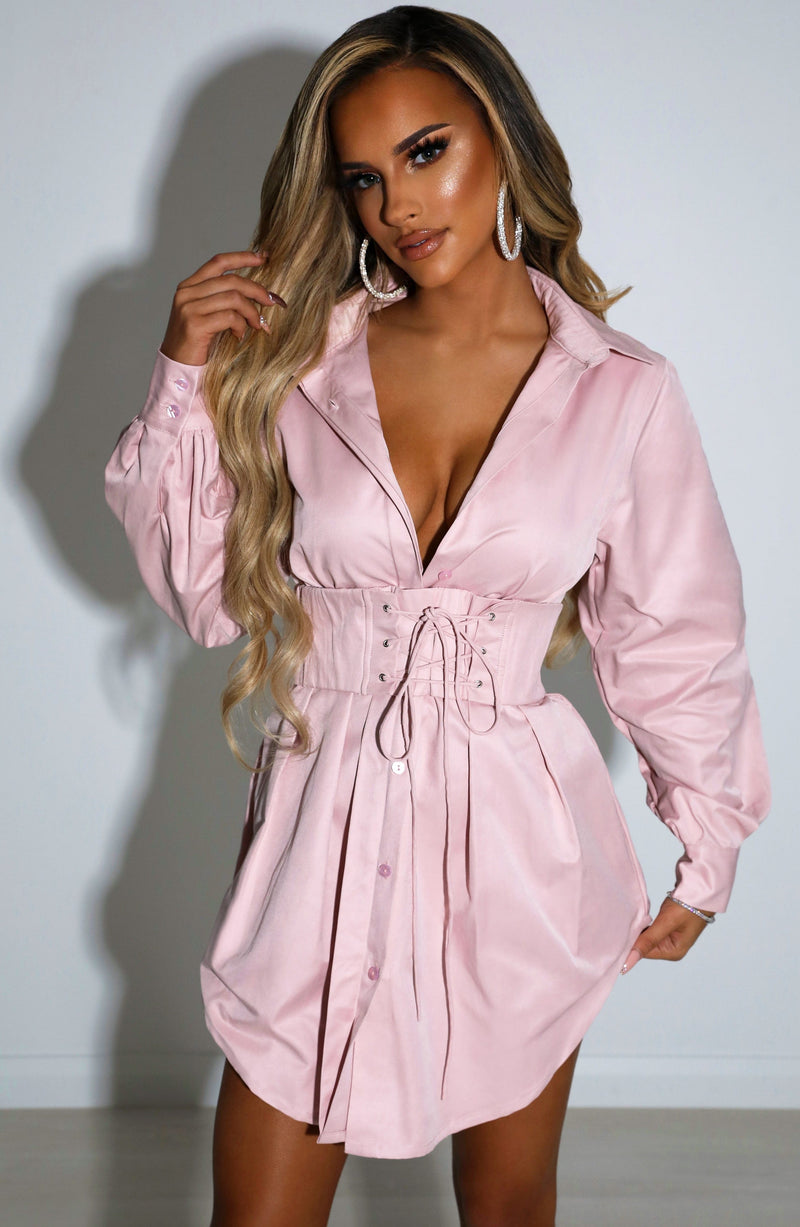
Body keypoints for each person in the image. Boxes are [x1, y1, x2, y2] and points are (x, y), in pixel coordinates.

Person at [104, 6, 771, 1225]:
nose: (398, 204)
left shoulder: (620, 392)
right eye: (363, 176)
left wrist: (707, 843)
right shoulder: (298, 366)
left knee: (507, 1203)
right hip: (321, 835)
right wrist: (183, 378)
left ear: (502, 140)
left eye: (426, 152)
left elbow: (675, 634)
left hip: (520, 843)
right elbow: (200, 595)